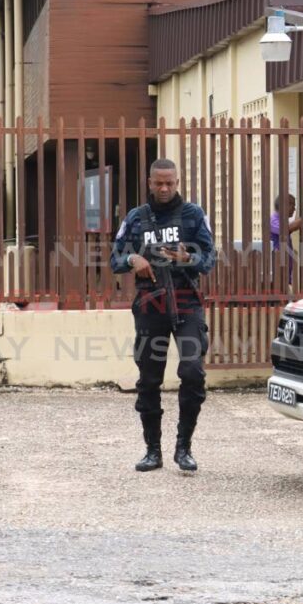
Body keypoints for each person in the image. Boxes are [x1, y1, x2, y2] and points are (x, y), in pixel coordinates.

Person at [112, 158, 216, 473]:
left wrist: (190, 257)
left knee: (193, 373)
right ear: (149, 181)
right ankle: (152, 450)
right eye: (159, 182)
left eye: (170, 182)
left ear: (177, 181)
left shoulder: (193, 215)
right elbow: (115, 257)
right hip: (150, 305)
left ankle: (183, 447)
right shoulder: (136, 218)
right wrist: (133, 258)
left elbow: (209, 257)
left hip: (187, 305)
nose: (164, 188)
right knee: (149, 379)